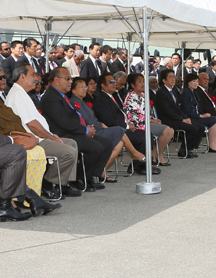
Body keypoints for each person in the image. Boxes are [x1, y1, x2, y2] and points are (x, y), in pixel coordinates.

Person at [5, 65, 81, 198]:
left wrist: (51, 135)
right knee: (68, 152)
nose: (37, 78)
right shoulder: (17, 94)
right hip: (34, 140)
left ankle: (62, 184)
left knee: (72, 143)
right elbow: (32, 124)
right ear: (22, 76)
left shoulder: (22, 93)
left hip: (40, 137)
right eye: (33, 75)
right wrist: (51, 137)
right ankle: (47, 183)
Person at [40, 67, 113, 191]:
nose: (70, 82)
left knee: (106, 144)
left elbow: (72, 117)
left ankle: (88, 176)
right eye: (67, 78)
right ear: (57, 80)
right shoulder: (51, 97)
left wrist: (86, 128)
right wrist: (85, 131)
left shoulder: (61, 95)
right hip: (63, 134)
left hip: (73, 131)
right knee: (96, 148)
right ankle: (79, 178)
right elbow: (63, 122)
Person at [70, 77, 146, 180]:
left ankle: (101, 170)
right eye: (81, 87)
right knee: (119, 130)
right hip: (90, 131)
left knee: (120, 143)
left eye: (85, 86)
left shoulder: (81, 101)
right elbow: (87, 121)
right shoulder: (75, 102)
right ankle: (134, 153)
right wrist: (100, 125)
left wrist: (100, 124)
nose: (84, 89)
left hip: (96, 128)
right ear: (73, 90)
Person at [93, 73, 158, 175]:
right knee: (143, 136)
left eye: (114, 81)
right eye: (111, 82)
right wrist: (127, 126)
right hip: (115, 130)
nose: (114, 84)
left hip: (124, 126)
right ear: (103, 85)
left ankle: (138, 165)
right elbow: (109, 120)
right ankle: (138, 165)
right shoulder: (101, 99)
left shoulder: (111, 96)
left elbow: (121, 114)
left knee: (145, 134)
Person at [123, 73, 174, 166]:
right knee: (166, 130)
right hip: (138, 125)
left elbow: (149, 112)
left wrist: (154, 119)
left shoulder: (143, 95)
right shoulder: (131, 97)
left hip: (146, 122)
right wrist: (150, 120)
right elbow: (136, 117)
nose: (142, 84)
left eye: (143, 81)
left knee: (171, 131)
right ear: (132, 85)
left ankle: (155, 155)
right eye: (139, 82)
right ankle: (157, 156)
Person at [154, 69, 201, 158]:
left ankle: (189, 149)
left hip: (176, 118)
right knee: (193, 128)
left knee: (200, 127)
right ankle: (183, 151)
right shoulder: (161, 93)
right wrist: (181, 119)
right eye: (170, 77)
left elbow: (179, 108)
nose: (173, 79)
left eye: (174, 77)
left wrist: (185, 117)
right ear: (164, 80)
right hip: (168, 120)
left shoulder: (174, 91)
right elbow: (167, 111)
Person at [181, 73, 216, 152]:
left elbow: (198, 107)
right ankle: (211, 144)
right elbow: (187, 110)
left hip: (197, 116)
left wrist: (203, 114)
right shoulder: (186, 93)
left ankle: (211, 144)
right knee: (214, 120)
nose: (196, 83)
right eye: (193, 81)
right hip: (191, 117)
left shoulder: (195, 92)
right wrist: (200, 116)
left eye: (197, 81)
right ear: (188, 82)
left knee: (214, 118)